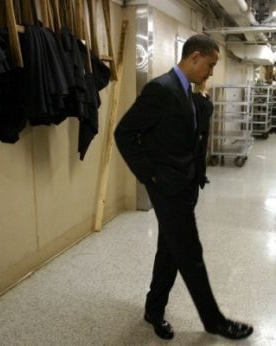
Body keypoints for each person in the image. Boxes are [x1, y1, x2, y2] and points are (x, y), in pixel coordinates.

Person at [114, 34, 253, 340]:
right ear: (194, 57)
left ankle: (154, 309)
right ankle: (214, 320)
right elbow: (124, 133)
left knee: (170, 248)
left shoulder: (187, 91)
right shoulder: (160, 90)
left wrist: (195, 177)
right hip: (166, 187)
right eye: (211, 64)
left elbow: (193, 132)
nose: (212, 72)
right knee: (190, 252)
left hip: (185, 184)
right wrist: (150, 175)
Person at [193, 81, 213, 184]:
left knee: (203, 153)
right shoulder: (195, 97)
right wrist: (199, 132)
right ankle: (197, 176)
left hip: (205, 129)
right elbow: (196, 115)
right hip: (200, 131)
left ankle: (202, 175)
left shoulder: (205, 96)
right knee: (198, 154)